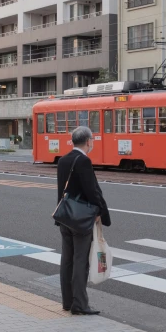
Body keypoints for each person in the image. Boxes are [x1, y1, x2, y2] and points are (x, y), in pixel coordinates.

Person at [57, 126, 111, 315]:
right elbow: (92, 191)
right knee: (81, 261)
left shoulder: (63, 160)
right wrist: (100, 212)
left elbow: (61, 192)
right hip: (81, 220)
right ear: (88, 141)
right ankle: (79, 304)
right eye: (92, 140)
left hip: (65, 216)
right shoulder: (83, 161)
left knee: (67, 260)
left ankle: (67, 301)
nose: (93, 143)